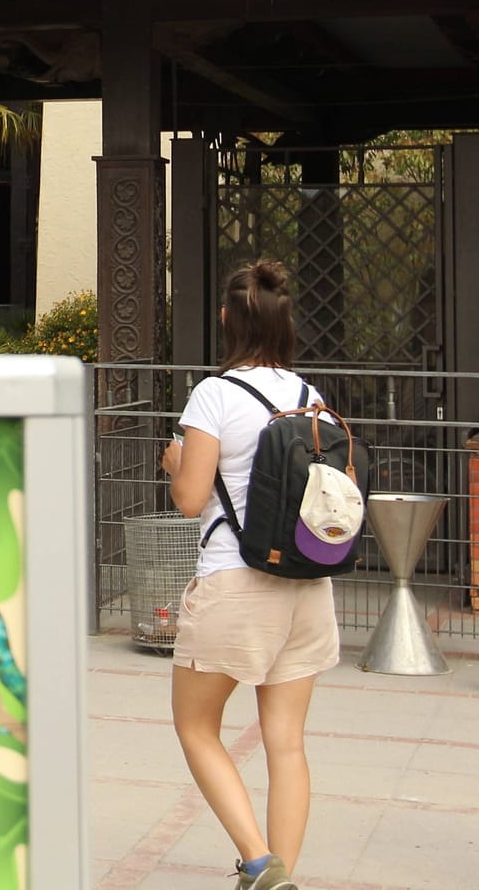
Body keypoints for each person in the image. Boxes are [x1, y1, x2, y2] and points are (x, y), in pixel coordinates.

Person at [157, 260, 332, 890]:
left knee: (195, 726)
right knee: (286, 741)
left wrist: (177, 459)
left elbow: (189, 497)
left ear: (228, 319)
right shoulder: (310, 395)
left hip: (236, 583)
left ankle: (259, 863)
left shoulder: (214, 395)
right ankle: (282, 877)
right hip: (307, 586)